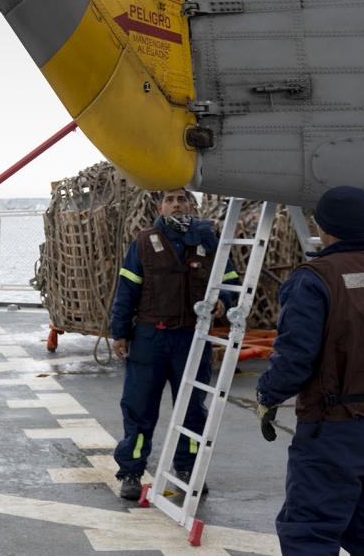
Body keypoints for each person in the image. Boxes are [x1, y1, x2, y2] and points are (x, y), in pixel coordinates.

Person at [255, 185, 364, 555]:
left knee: (310, 533)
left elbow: (295, 357)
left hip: (333, 427)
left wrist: (268, 395)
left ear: (323, 227)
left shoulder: (315, 278)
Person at [110, 188, 236, 500]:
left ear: (192, 205)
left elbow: (230, 281)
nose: (176, 204)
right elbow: (127, 289)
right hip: (150, 339)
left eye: (182, 199)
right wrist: (120, 332)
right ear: (160, 206)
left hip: (192, 339)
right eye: (170, 200)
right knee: (139, 409)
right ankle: (131, 472)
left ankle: (187, 467)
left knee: (192, 408)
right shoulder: (143, 242)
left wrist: (223, 300)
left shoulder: (210, 240)